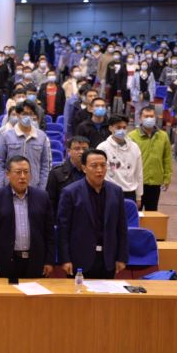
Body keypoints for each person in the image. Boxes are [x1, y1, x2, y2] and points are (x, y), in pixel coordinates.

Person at [57, 149, 128, 279]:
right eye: (94, 166)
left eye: (103, 165)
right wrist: (65, 259)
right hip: (79, 259)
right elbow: (63, 229)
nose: (99, 170)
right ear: (84, 168)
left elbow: (121, 227)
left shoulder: (116, 191)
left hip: (108, 259)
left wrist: (121, 257)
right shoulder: (70, 192)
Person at [0, 156, 55, 279]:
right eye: (18, 172)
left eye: (26, 172)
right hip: (5, 263)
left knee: (33, 291)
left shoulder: (42, 197)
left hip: (35, 262)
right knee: (9, 291)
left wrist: (49, 261)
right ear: (8, 174)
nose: (22, 176)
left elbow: (49, 233)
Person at [0, 102, 52, 190]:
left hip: (33, 187)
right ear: (18, 114)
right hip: (10, 187)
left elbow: (45, 165)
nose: (27, 117)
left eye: (30, 114)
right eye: (24, 114)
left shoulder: (41, 137)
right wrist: (0, 188)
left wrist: (41, 188)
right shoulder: (6, 136)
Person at [128, 106, 172, 211]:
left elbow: (167, 159)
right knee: (135, 212)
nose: (149, 119)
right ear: (140, 118)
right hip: (137, 182)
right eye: (146, 116)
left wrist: (167, 178)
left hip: (155, 182)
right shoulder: (132, 136)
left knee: (152, 212)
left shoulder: (163, 136)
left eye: (151, 116)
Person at [97, 115, 143, 206]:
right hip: (109, 192)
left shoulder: (134, 147)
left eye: (124, 127)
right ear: (110, 128)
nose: (121, 130)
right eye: (118, 127)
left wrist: (139, 196)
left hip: (130, 193)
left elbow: (139, 173)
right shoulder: (102, 148)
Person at [46, 135, 88, 214]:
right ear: (69, 151)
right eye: (77, 149)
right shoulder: (56, 173)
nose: (81, 152)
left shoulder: (91, 172)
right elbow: (50, 202)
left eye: (84, 149)